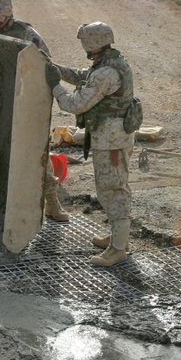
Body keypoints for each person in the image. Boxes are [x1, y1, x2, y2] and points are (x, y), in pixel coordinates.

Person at [43, 22, 135, 266]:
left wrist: (55, 85)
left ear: (90, 43)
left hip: (111, 142)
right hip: (111, 138)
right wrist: (57, 70)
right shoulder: (109, 63)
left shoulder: (106, 72)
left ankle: (118, 249)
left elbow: (74, 104)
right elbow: (84, 76)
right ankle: (118, 238)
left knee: (112, 190)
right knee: (112, 188)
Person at [0, 0, 68, 222]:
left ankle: (51, 203)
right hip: (2, 101)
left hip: (27, 102)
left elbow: (45, 65)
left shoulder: (27, 33)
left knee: (37, 153)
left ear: (6, 12)